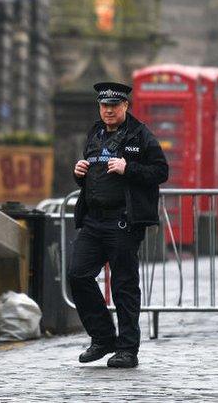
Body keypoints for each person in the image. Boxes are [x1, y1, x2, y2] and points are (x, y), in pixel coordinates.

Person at [67, 81, 169, 369]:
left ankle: (127, 349)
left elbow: (161, 171)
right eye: (104, 106)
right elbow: (94, 175)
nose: (108, 111)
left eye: (114, 106)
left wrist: (129, 168)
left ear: (125, 106)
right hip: (93, 220)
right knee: (78, 275)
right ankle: (102, 338)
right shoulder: (95, 132)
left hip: (123, 221)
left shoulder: (140, 134)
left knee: (124, 286)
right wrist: (79, 174)